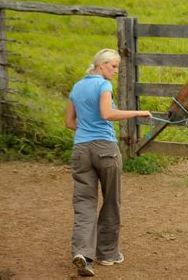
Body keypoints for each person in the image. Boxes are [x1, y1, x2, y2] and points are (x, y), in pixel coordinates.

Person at [65, 48, 151, 277]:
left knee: (84, 203)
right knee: (111, 200)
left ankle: (82, 253)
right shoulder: (103, 85)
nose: (115, 71)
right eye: (113, 66)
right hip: (105, 149)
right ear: (101, 65)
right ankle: (108, 254)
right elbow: (106, 114)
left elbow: (69, 123)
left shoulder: (77, 87)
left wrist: (86, 130)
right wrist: (138, 113)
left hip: (80, 149)